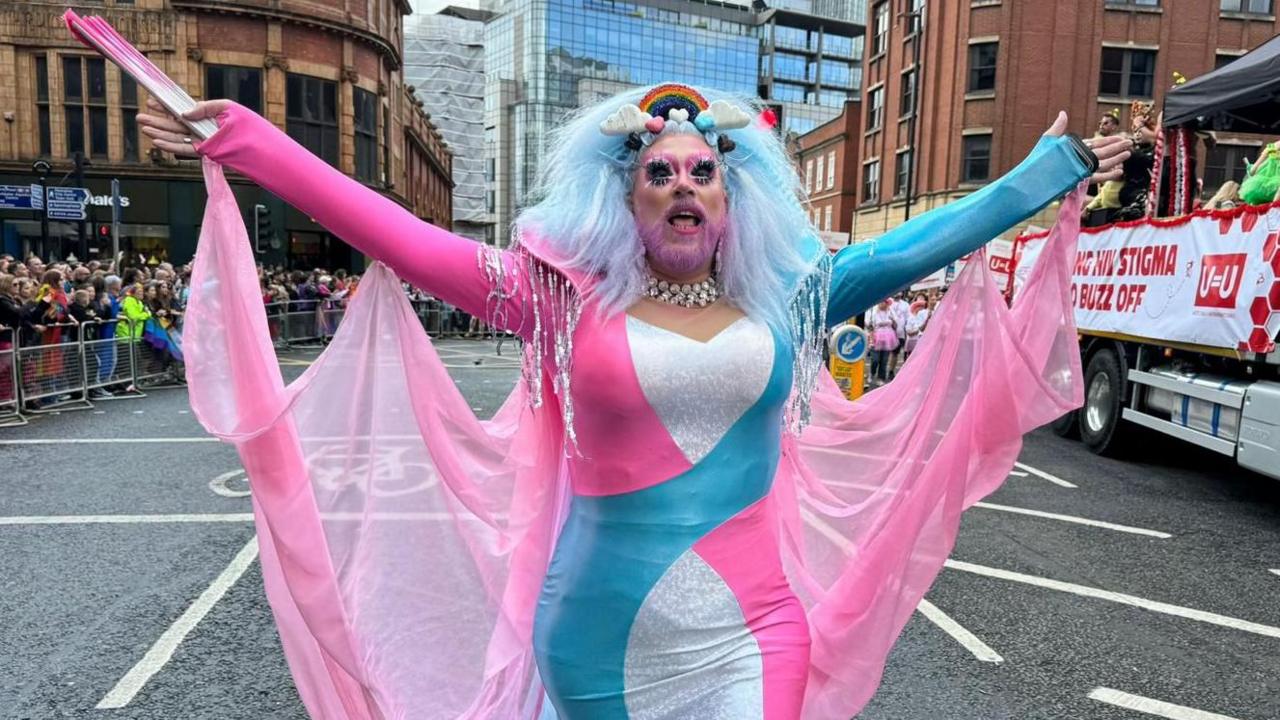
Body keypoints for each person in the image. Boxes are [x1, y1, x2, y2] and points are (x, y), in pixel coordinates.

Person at [139, 84, 1126, 719]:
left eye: (704, 172)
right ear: (625, 198)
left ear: (732, 200)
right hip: (601, 638)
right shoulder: (553, 299)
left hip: (755, 628)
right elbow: (396, 234)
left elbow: (924, 241)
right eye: (659, 173)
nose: (682, 185)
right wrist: (244, 140)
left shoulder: (794, 293)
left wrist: (1052, 170)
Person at [868, 297, 897, 385]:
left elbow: (895, 326)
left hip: (888, 338)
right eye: (881, 302)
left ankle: (881, 378)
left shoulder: (891, 312)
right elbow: (869, 326)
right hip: (876, 337)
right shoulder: (873, 312)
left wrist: (893, 321)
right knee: (875, 359)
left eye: (884, 302)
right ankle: (872, 373)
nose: (882, 304)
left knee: (884, 360)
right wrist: (871, 337)